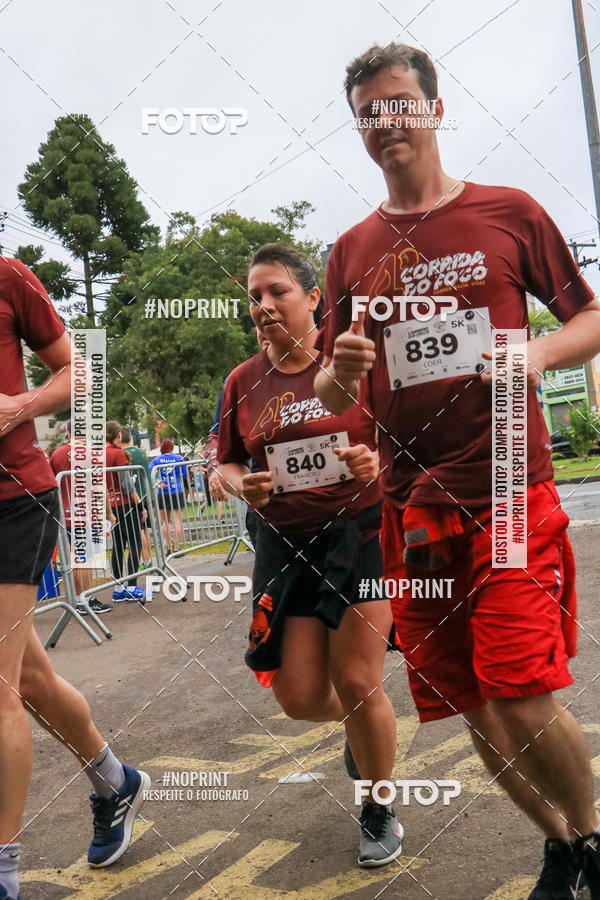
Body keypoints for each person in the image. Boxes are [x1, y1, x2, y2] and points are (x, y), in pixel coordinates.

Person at [314, 42, 600, 899]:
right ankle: (560, 844)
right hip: (414, 511)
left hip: (509, 487)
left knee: (517, 691)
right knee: (469, 704)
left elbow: (588, 317)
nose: (385, 122)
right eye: (369, 111)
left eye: (400, 103)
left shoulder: (507, 213)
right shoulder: (350, 251)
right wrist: (343, 370)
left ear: (434, 109)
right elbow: (331, 383)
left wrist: (540, 353)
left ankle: (593, 834)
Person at [217, 242, 402, 868]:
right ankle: (365, 722)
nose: (264, 305)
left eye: (278, 292)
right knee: (297, 695)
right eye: (254, 296)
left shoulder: (352, 359)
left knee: (355, 677)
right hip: (286, 544)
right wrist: (243, 483)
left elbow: (404, 440)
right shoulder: (241, 381)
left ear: (313, 298)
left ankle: (378, 804)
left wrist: (374, 462)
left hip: (361, 531)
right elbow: (228, 460)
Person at [0, 256, 149, 900]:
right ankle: (115, 781)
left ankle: (3, 872)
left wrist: (18, 408)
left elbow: (78, 372)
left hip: (11, 502)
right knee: (28, 678)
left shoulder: (8, 277)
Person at [50, 421, 114, 615]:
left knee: (75, 558)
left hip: (66, 514)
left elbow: (50, 483)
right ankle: (85, 599)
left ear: (68, 432)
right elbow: (99, 487)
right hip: (87, 514)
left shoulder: (56, 454)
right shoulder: (91, 454)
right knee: (85, 559)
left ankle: (78, 599)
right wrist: (108, 513)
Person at [105, 422, 148, 603]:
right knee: (135, 543)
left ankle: (118, 588)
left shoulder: (97, 455)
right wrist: (140, 505)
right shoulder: (118, 454)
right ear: (119, 436)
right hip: (124, 505)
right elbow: (127, 486)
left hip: (109, 506)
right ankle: (131, 586)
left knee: (118, 546)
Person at [118, 428, 152, 568]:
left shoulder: (122, 454)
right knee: (145, 530)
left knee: (139, 531)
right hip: (145, 494)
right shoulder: (142, 453)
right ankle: (148, 558)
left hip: (133, 496)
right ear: (131, 438)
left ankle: (147, 561)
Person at [149, 438, 186, 550]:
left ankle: (169, 547)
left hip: (163, 492)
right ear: (171, 448)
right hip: (176, 491)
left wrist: (158, 484)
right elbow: (184, 474)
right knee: (177, 520)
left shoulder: (156, 460)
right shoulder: (179, 458)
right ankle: (177, 547)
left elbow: (149, 472)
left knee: (165, 521)